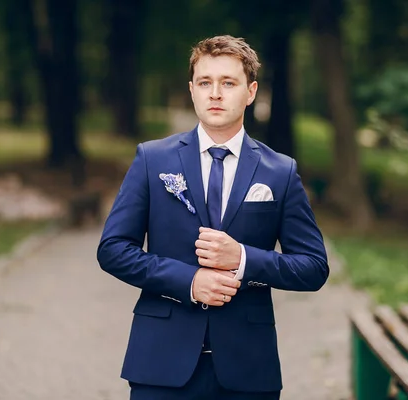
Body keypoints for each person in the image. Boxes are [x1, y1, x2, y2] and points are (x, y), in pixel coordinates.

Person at [97, 35, 329, 400]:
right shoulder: (152, 159)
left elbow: (314, 267)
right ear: (192, 90)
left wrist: (243, 259)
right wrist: (188, 280)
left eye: (228, 83)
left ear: (250, 92)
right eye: (205, 82)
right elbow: (112, 249)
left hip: (247, 369)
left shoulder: (280, 172)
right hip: (161, 364)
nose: (215, 93)